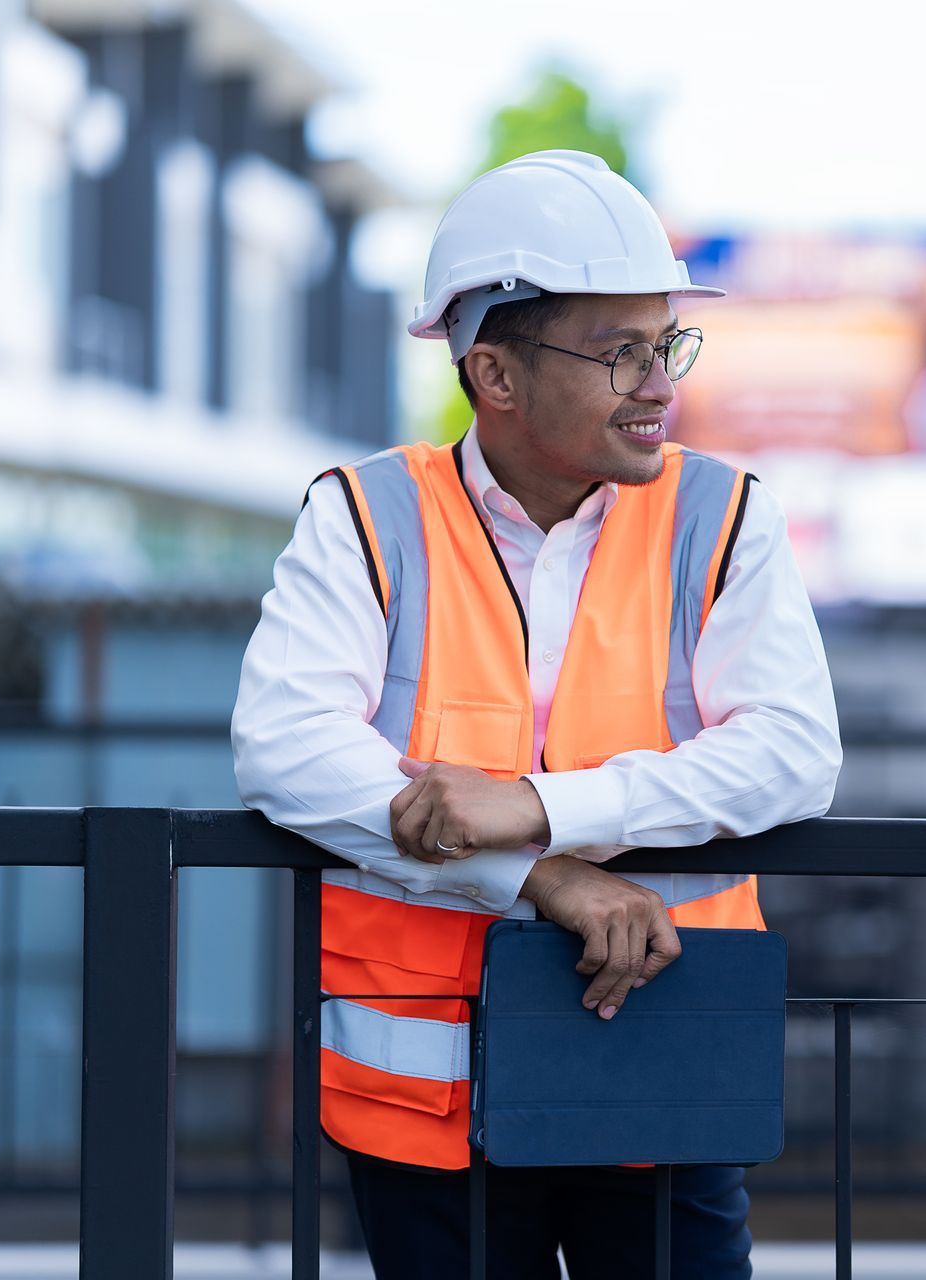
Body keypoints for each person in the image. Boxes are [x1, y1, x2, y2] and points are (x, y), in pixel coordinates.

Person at [231, 149, 842, 1279]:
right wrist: (542, 875)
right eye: (621, 352)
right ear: (496, 374)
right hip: (430, 1091)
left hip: (660, 1053)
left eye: (667, 344)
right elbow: (284, 749)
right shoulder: (365, 515)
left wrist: (539, 808)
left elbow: (794, 754)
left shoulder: (723, 516)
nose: (660, 383)